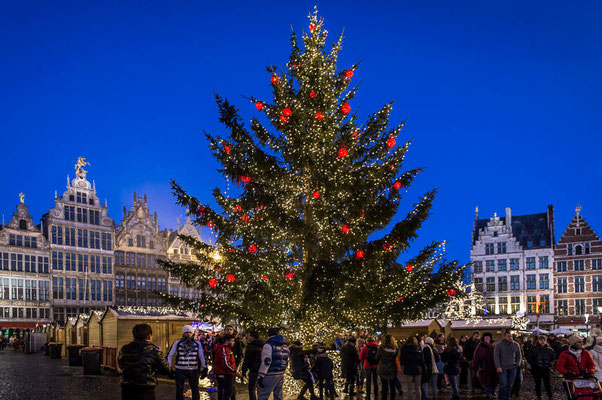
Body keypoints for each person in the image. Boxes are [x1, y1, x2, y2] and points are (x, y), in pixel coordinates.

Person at [117, 323, 172, 400]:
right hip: (146, 389)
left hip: (127, 387)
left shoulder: (124, 349)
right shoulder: (154, 351)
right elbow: (166, 370)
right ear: (149, 336)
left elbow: (120, 364)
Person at [167, 325, 207, 400]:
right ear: (183, 333)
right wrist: (169, 367)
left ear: (192, 333)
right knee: (179, 389)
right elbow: (170, 354)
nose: (188, 334)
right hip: (180, 369)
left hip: (193, 369)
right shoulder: (178, 342)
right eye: (186, 332)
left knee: (195, 389)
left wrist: (204, 367)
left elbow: (201, 356)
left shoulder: (197, 343)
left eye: (190, 332)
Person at [556, 335, 596, 400]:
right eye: (579, 342)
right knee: (572, 397)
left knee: (584, 396)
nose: (582, 343)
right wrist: (566, 373)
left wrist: (591, 372)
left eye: (582, 342)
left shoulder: (585, 353)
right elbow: (559, 366)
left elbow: (591, 364)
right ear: (574, 343)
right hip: (570, 380)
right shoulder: (565, 354)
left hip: (583, 379)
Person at [258, 327, 290, 400]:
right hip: (280, 373)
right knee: (278, 396)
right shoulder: (285, 346)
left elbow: (266, 361)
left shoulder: (268, 345)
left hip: (269, 373)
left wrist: (261, 375)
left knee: (263, 395)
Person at [494, 330, 521, 400]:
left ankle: (507, 397)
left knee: (510, 384)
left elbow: (519, 355)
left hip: (512, 367)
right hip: (503, 367)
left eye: (511, 336)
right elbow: (496, 356)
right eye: (508, 336)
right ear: (504, 337)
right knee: (503, 384)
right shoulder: (499, 345)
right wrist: (498, 366)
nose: (510, 337)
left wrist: (517, 364)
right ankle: (501, 398)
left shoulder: (516, 344)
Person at [526, 335, 555, 400]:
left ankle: (550, 396)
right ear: (538, 341)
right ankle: (539, 396)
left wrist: (551, 364)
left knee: (547, 384)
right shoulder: (534, 349)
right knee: (538, 383)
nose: (542, 341)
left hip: (546, 369)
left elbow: (553, 358)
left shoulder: (550, 350)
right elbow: (529, 358)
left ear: (546, 341)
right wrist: (535, 365)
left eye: (544, 340)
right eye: (541, 340)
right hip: (537, 369)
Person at [214, 334, 243, 400]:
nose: (234, 342)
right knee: (227, 393)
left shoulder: (227, 349)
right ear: (227, 341)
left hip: (227, 373)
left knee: (227, 392)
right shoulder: (223, 349)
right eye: (232, 341)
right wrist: (234, 371)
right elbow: (225, 363)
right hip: (225, 373)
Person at [471, 332, 497, 398]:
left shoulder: (493, 346)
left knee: (494, 380)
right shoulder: (480, 346)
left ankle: (492, 391)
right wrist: (475, 366)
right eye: (486, 338)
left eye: (488, 338)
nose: (487, 339)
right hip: (484, 366)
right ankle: (488, 393)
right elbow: (476, 356)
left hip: (494, 366)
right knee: (486, 381)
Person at [242, 331, 264, 400]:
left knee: (251, 388)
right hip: (263, 370)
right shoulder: (263, 344)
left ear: (252, 336)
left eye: (248, 335)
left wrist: (244, 371)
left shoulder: (251, 346)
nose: (247, 337)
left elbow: (247, 360)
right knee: (260, 388)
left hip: (254, 370)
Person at [377, 334, 399, 400]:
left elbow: (377, 357)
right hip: (392, 368)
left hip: (383, 368)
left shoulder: (381, 348)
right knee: (392, 386)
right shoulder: (396, 349)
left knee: (384, 387)